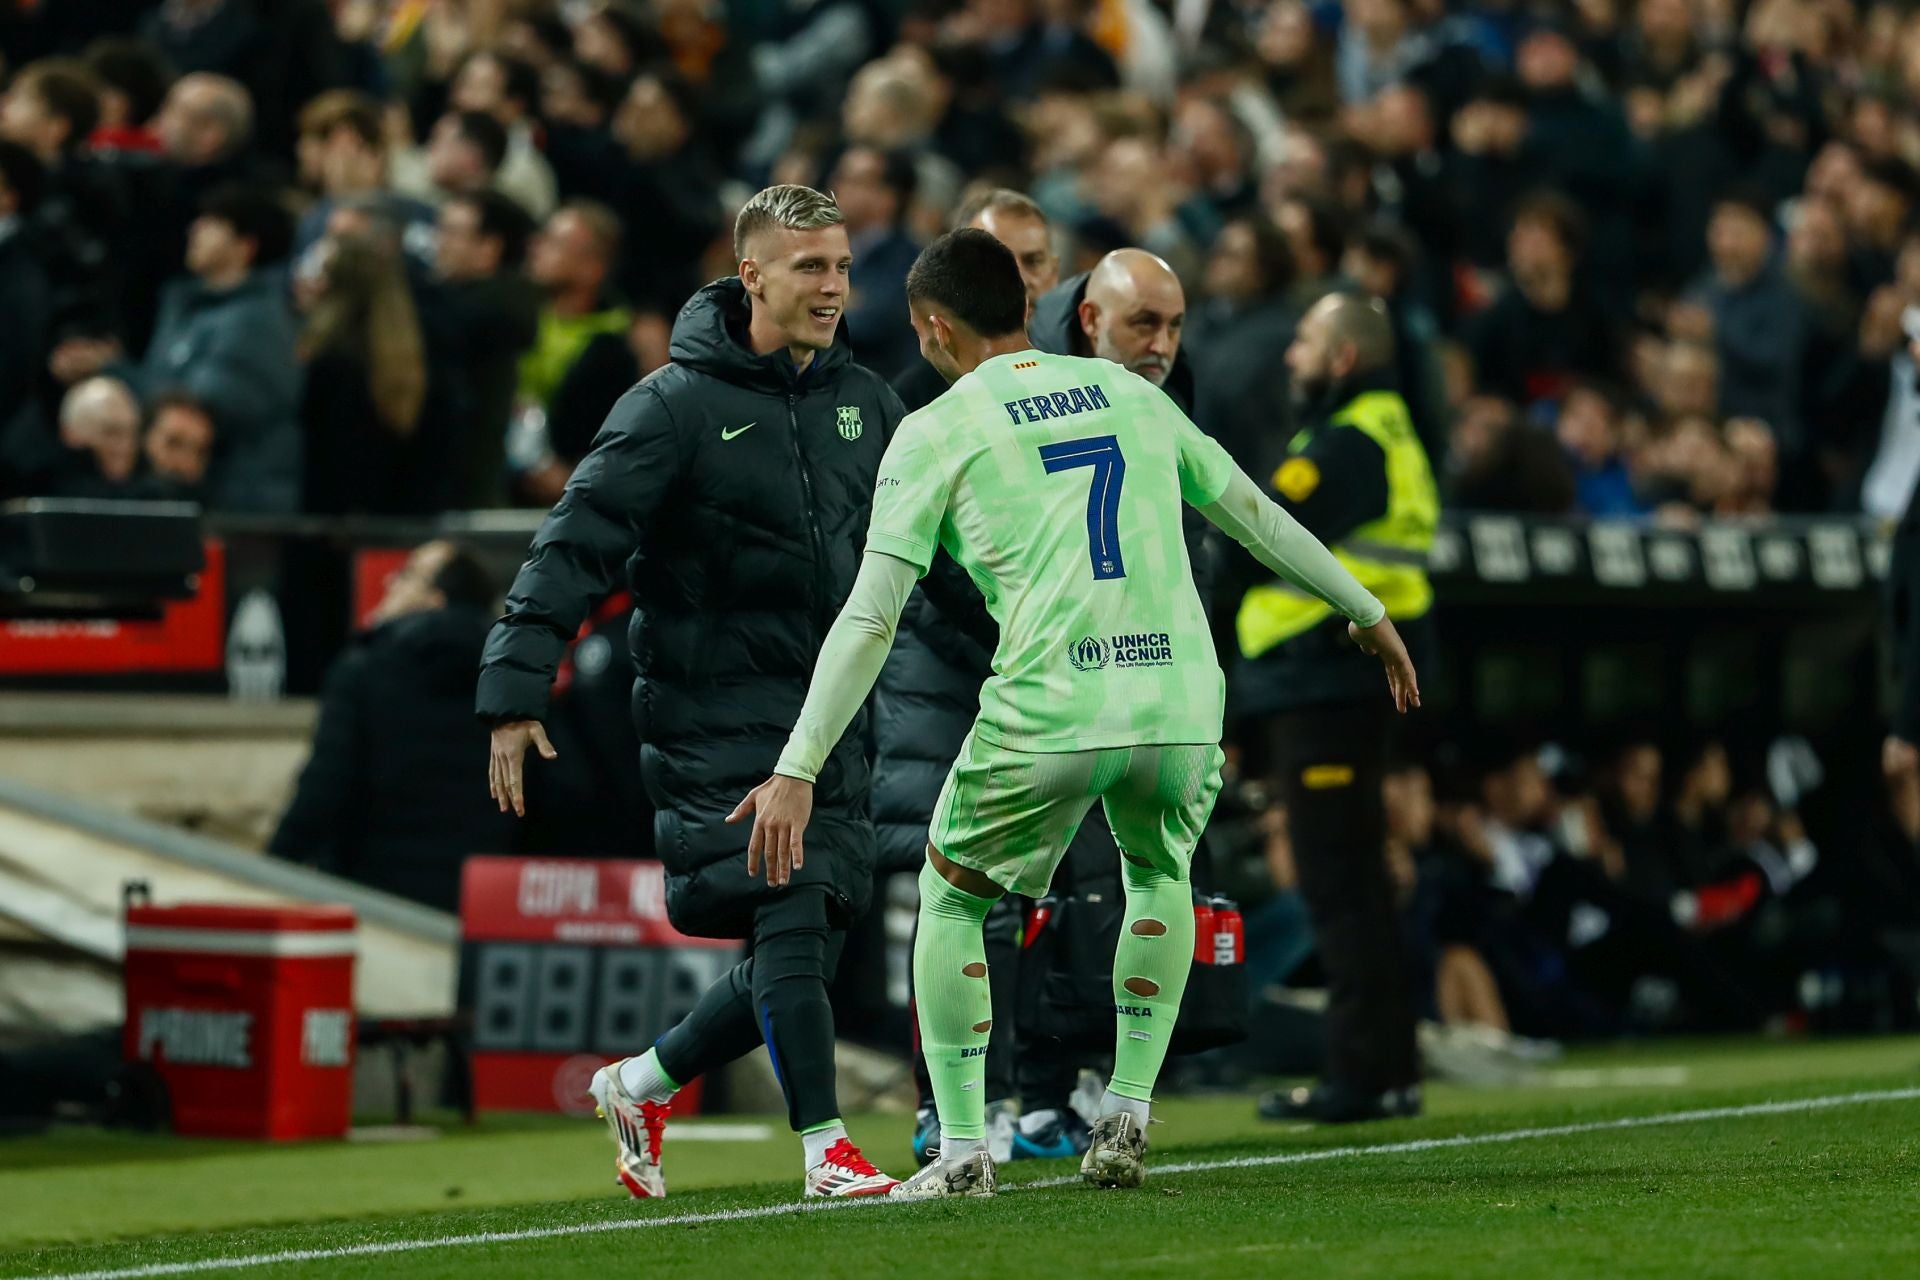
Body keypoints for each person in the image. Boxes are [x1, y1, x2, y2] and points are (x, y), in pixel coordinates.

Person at [730, 228, 1418, 1198]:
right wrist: (1367, 608)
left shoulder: (934, 429)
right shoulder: (1134, 394)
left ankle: (963, 1144)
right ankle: (1128, 1112)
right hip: (1179, 702)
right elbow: (1253, 512)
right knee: (1158, 871)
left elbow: (871, 614)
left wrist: (798, 762)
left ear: (933, 328)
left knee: (954, 895)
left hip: (1053, 706)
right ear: (1028, 307)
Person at [479, 185, 907, 1202]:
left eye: (843, 266)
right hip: (712, 705)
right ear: (751, 274)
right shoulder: (671, 403)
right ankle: (827, 1147)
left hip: (833, 706)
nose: (834, 287)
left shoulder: (870, 404)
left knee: (798, 941)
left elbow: (926, 555)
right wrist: (513, 683)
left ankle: (641, 1078)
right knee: (793, 899)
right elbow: (573, 541)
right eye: (811, 267)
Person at [1239, 293, 1439, 1124]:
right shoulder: (1388, 432)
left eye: (1306, 341)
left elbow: (1261, 528)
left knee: (1338, 884)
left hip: (1323, 682)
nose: (1292, 356)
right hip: (1342, 682)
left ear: (1344, 359)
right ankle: (1387, 1069)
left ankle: (1362, 1074)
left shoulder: (1346, 443)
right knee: (1357, 880)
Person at [271, 540, 511, 912]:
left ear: (435, 599)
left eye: (406, 575)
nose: (389, 583)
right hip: (483, 902)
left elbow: (323, 790)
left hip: (375, 901)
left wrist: (269, 870)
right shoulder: (514, 681)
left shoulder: (367, 669)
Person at [64, 182, 302, 513]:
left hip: (238, 508)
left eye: (212, 224)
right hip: (189, 497)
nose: (195, 230)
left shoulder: (256, 322)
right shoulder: (189, 306)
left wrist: (113, 370)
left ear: (244, 247)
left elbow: (194, 410)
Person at [510, 201, 637, 505]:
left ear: (592, 268)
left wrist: (574, 473)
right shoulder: (516, 318)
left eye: (556, 242)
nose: (536, 246)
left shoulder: (614, 349)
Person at [434, 189, 540, 508]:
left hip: (461, 492)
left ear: (488, 249)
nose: (439, 242)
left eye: (452, 232)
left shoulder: (483, 315)